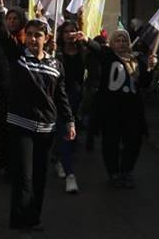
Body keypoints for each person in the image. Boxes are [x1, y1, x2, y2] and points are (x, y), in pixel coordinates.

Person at [0, 0, 75, 232]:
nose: (33, 39)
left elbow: (61, 96)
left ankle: (33, 218)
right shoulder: (18, 58)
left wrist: (69, 122)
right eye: (29, 35)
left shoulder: (55, 64)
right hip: (21, 127)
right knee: (23, 177)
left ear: (47, 38)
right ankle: (19, 220)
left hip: (46, 129)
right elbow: (2, 35)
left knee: (40, 177)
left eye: (38, 35)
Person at [84, 29, 156, 189]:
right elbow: (96, 48)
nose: (122, 43)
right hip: (111, 109)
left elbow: (144, 83)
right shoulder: (108, 56)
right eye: (118, 40)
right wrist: (86, 39)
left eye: (124, 40)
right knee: (111, 142)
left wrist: (150, 68)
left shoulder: (137, 60)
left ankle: (126, 171)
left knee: (133, 141)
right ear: (112, 43)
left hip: (133, 109)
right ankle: (114, 173)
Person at [0, 2, 27, 174]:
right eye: (8, 18)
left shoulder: (25, 41)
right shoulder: (0, 38)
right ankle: (4, 163)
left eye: (15, 18)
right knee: (0, 128)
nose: (11, 21)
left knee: (16, 131)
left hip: (19, 92)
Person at [53, 21, 88, 193]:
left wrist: (87, 40)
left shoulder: (84, 52)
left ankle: (60, 159)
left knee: (70, 134)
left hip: (77, 98)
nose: (69, 34)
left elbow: (101, 54)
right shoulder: (56, 52)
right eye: (66, 31)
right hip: (59, 97)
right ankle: (70, 174)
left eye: (72, 31)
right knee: (65, 130)